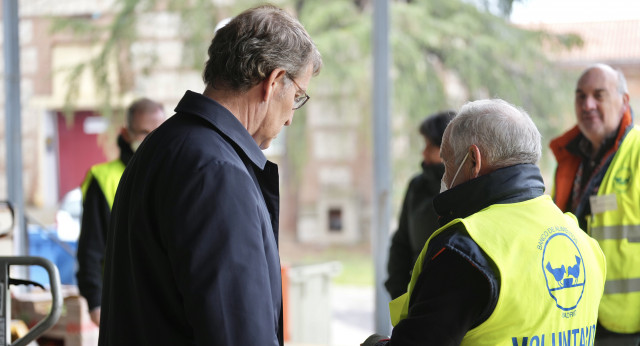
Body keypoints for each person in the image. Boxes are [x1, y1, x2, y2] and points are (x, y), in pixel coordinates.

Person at [98, 5, 322, 346]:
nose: (291, 117)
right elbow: (237, 334)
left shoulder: (163, 145)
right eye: (297, 96)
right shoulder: (218, 173)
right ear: (274, 81)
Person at [362, 99, 606, 346]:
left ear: (473, 160)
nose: (445, 176)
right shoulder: (583, 242)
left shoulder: (464, 250)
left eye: (447, 162)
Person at [550, 63, 640, 343]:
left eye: (599, 95)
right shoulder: (569, 160)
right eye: (580, 96)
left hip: (626, 326)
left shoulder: (637, 153)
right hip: (574, 316)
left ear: (624, 101)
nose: (587, 104)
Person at [76, 97, 165, 326]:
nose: (152, 139)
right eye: (144, 132)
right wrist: (95, 302)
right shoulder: (103, 178)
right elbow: (91, 248)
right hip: (121, 303)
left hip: (165, 304)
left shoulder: (171, 175)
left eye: (159, 131)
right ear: (126, 134)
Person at [385, 110, 455, 299]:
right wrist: (398, 292)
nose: (423, 152)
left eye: (430, 145)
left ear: (448, 148)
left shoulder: (465, 188)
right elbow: (401, 242)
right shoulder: (417, 186)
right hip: (416, 295)